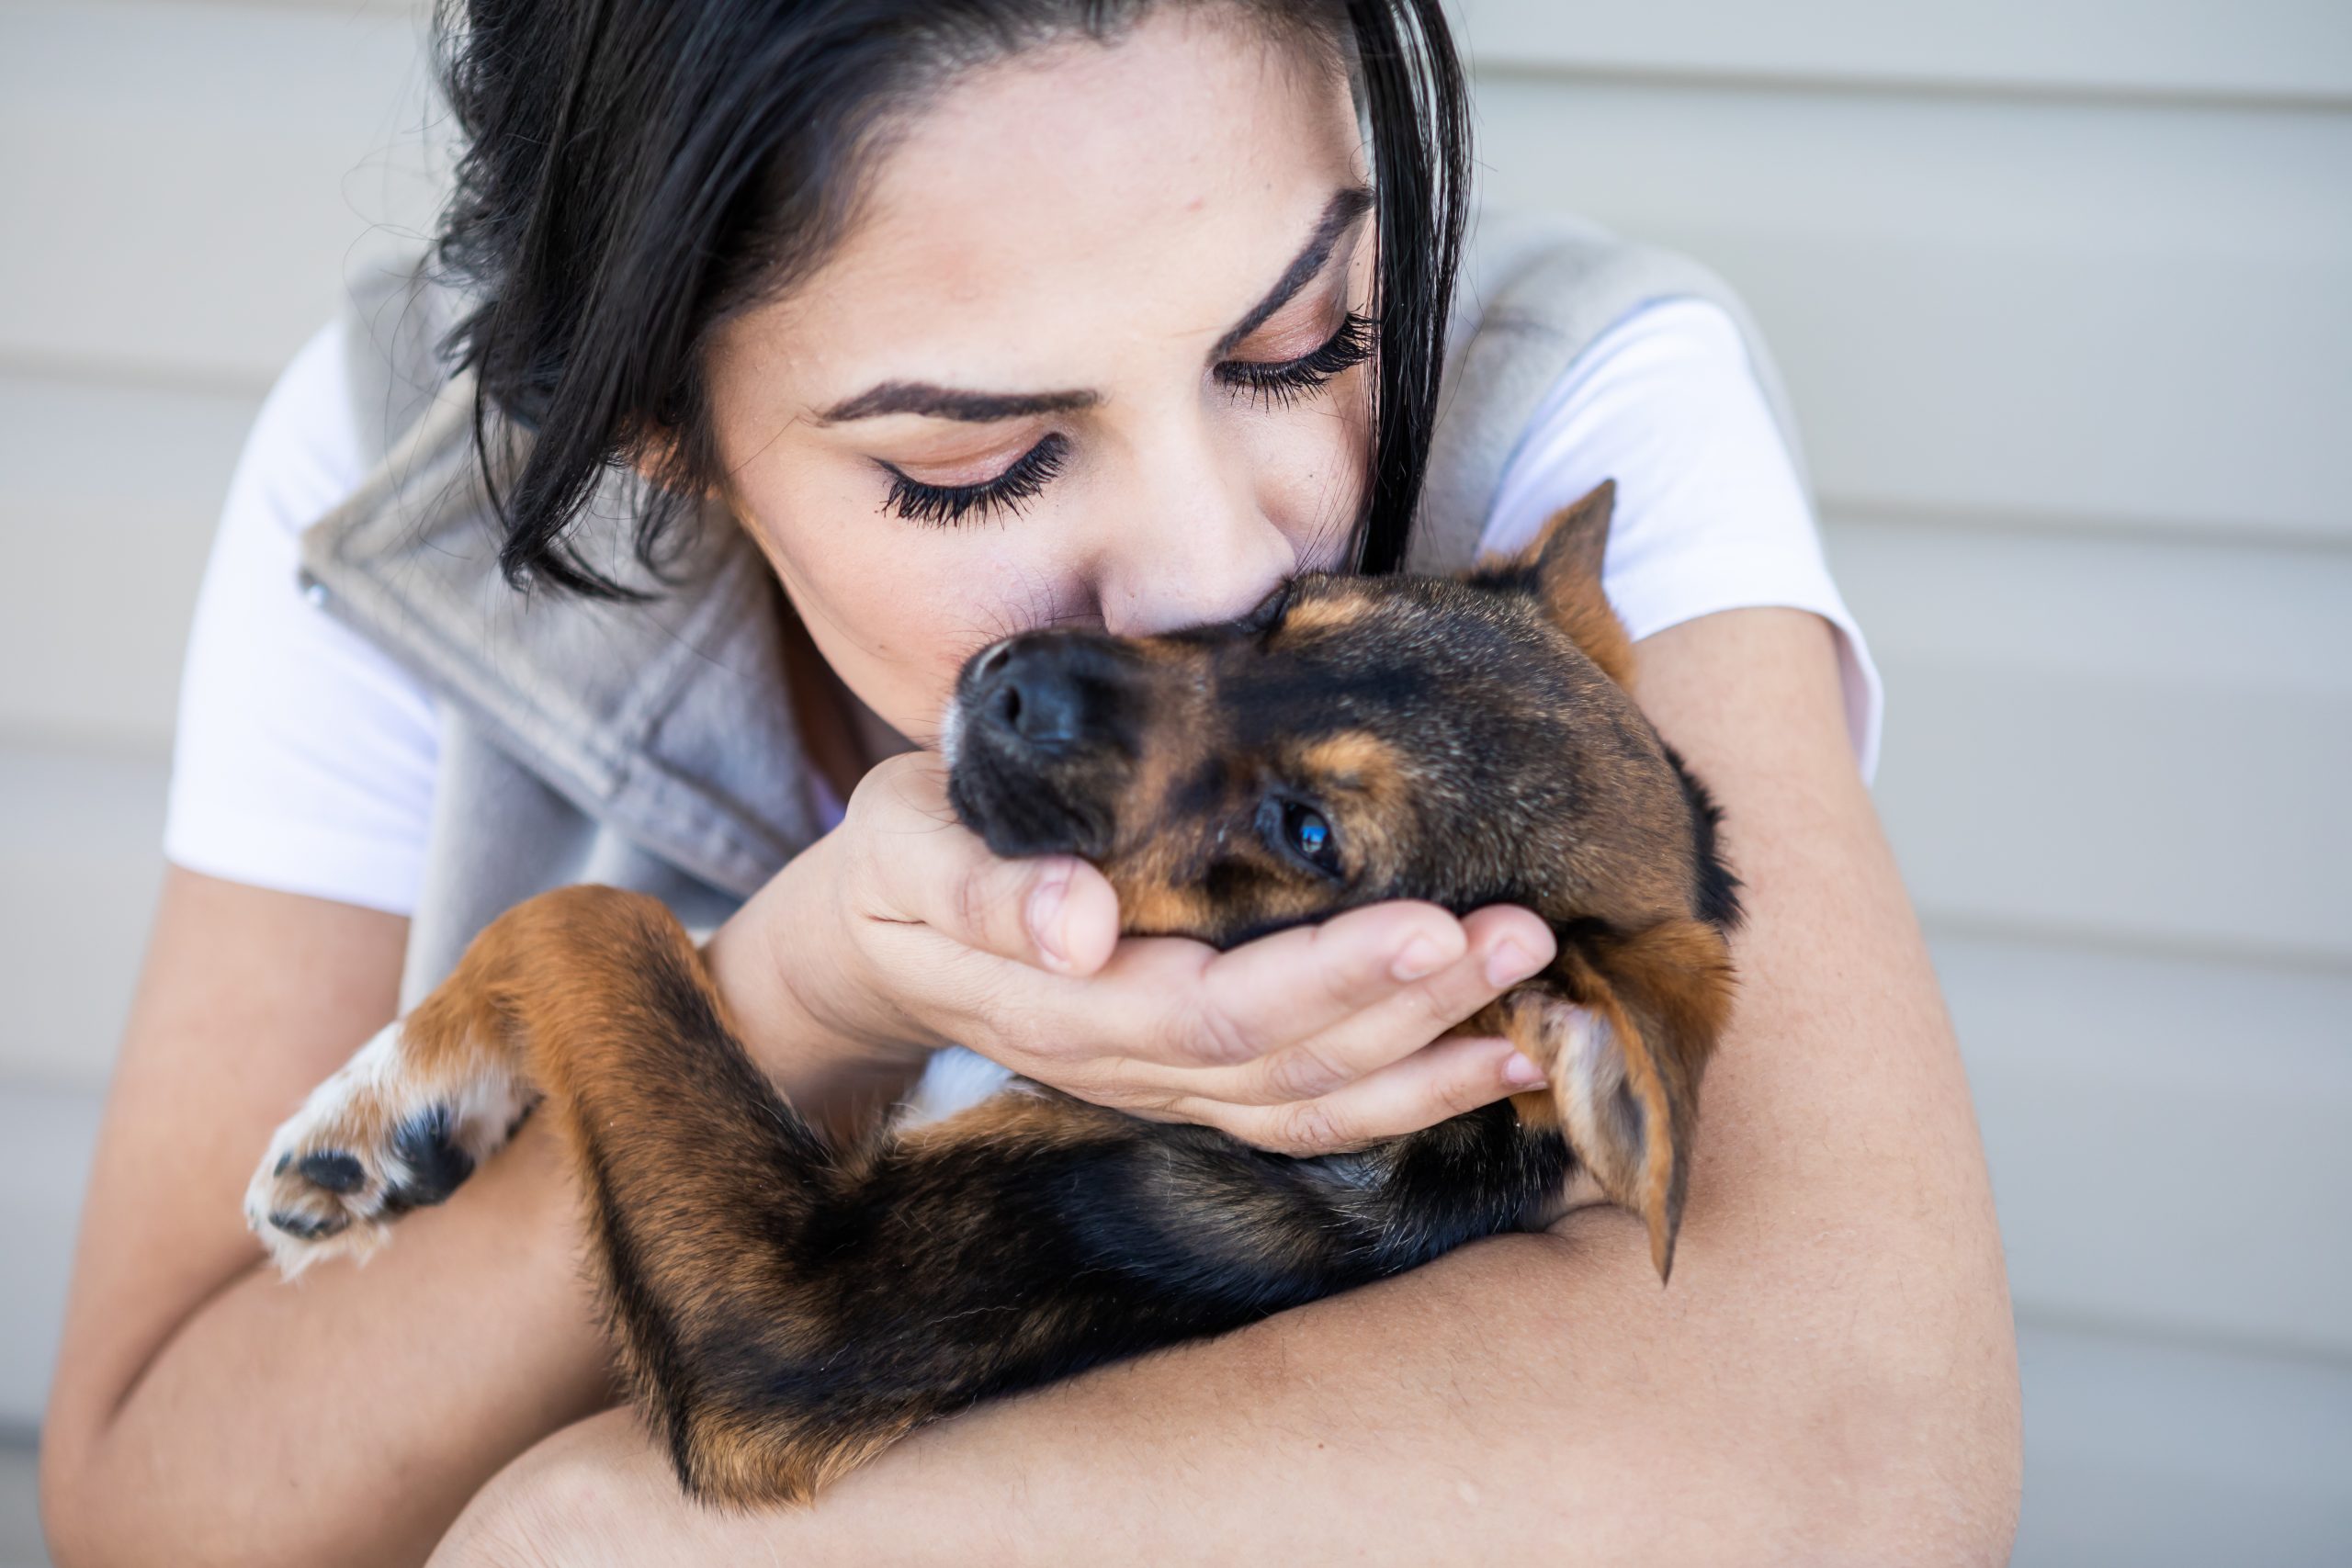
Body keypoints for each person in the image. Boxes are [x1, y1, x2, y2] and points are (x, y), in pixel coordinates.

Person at [38, 2, 2021, 1563]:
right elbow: (161, 1499)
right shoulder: (405, 486)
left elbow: (1858, 1444)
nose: (1211, 574)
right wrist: (800, 997)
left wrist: (616, 1532)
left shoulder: (1571, 407)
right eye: (972, 464)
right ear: (661, 437)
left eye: (1301, 340)